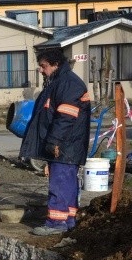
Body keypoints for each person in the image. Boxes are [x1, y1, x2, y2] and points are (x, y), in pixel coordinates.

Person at [20, 49, 90, 236]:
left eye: (43, 66)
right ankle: (67, 220)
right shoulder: (60, 82)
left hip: (66, 144)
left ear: (55, 64)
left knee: (59, 182)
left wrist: (53, 141)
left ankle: (56, 223)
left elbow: (65, 117)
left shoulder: (67, 83)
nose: (41, 71)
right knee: (66, 182)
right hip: (67, 144)